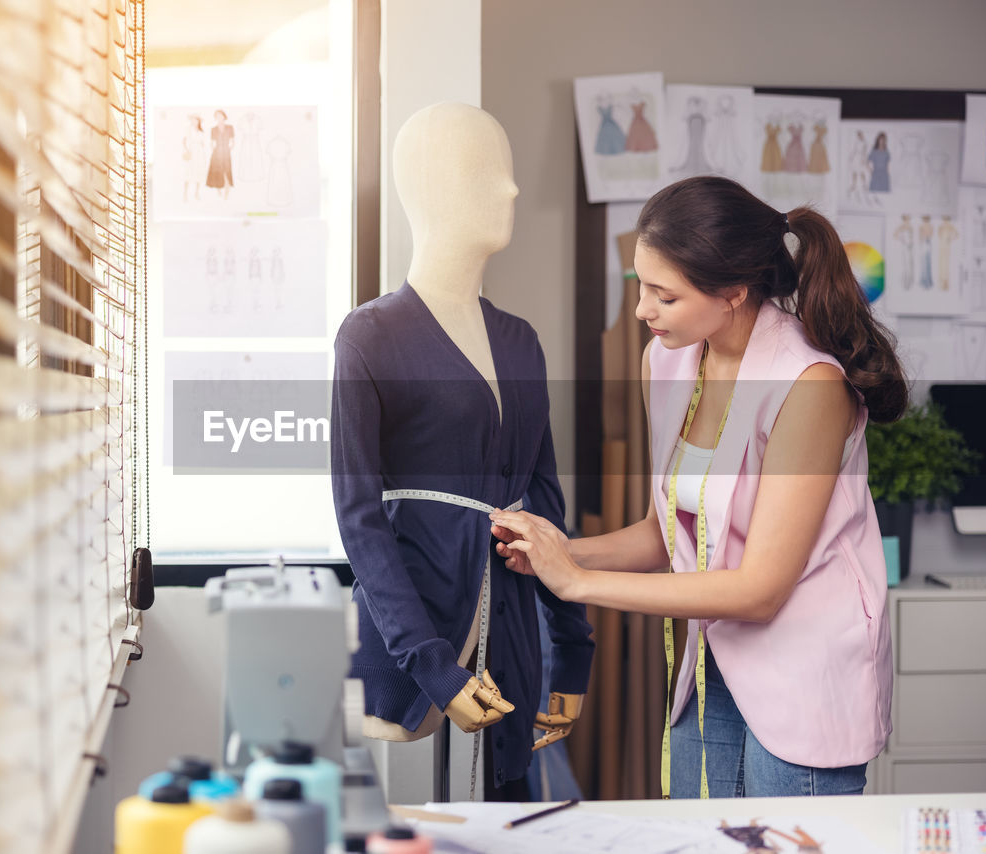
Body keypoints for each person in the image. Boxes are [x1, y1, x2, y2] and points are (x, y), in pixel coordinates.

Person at [489, 175, 907, 799]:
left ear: (734, 291)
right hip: (715, 656)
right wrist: (557, 549)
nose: (641, 311)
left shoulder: (809, 385)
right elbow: (667, 534)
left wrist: (576, 582)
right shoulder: (670, 359)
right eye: (641, 286)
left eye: (664, 294)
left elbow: (762, 590)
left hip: (806, 670)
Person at [331, 102, 595, 800]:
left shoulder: (521, 342)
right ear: (427, 186)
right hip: (407, 626)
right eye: (487, 171)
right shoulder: (370, 336)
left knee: (507, 821)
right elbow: (358, 519)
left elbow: (546, 505)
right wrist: (434, 666)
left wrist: (572, 653)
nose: (511, 190)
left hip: (509, 627)